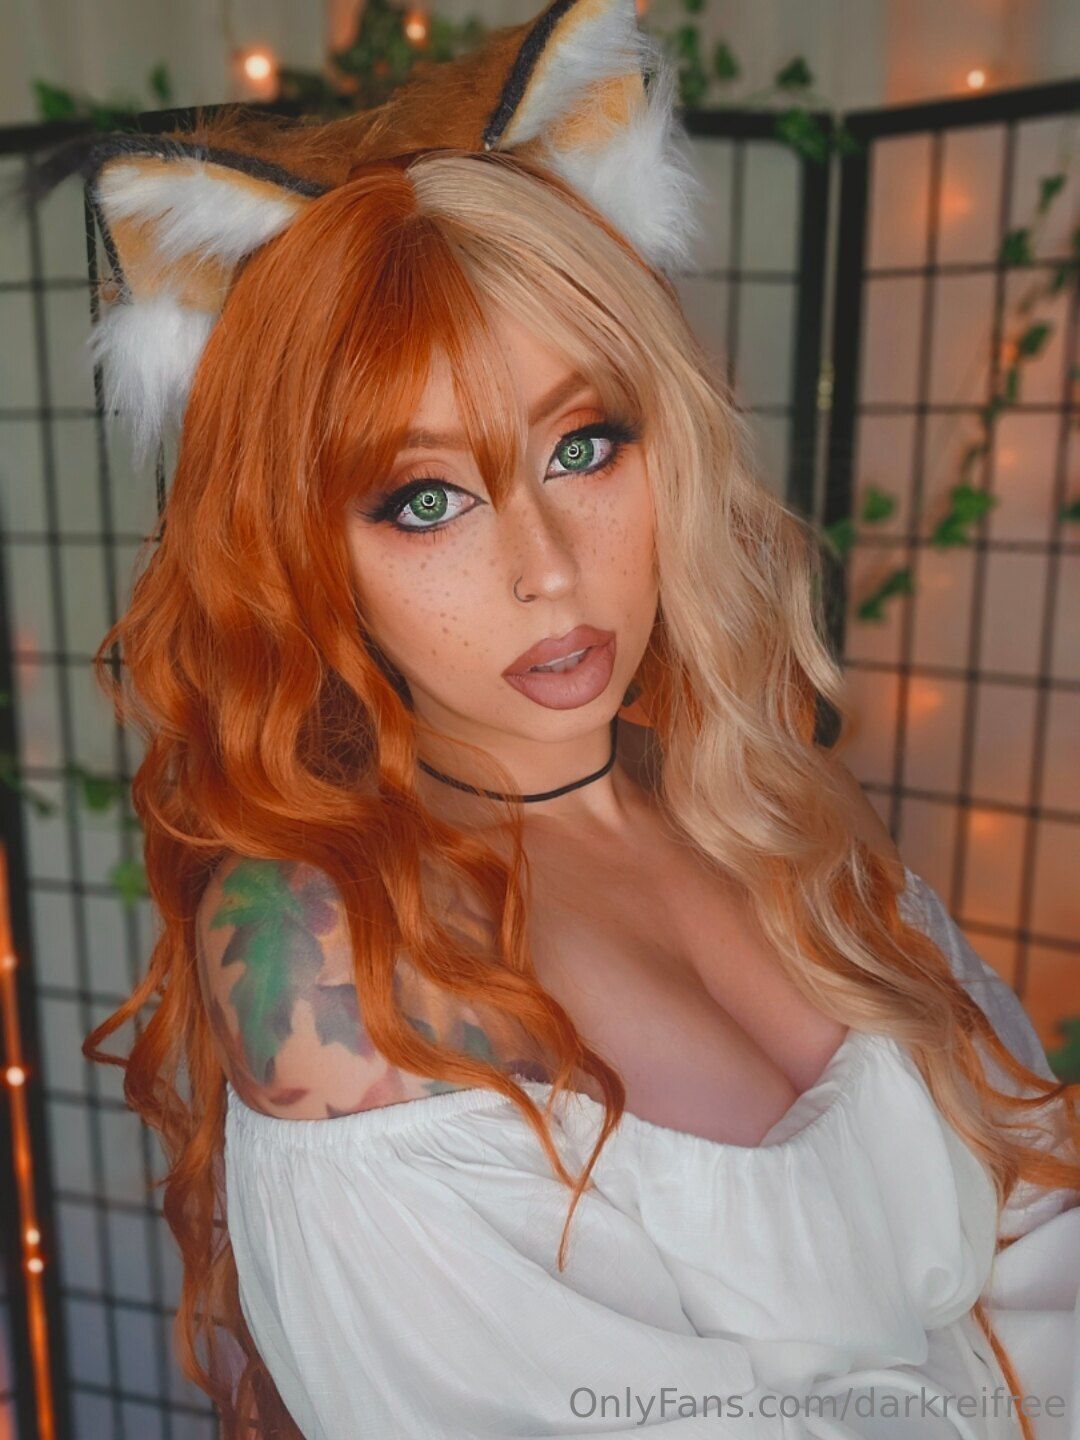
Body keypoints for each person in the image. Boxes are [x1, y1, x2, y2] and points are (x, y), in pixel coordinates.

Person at [22, 0, 1080, 1436]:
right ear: (310, 555)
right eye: (426, 500)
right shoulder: (334, 947)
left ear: (671, 444)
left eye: (583, 447)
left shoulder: (767, 810)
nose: (545, 569)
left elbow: (1043, 1205)